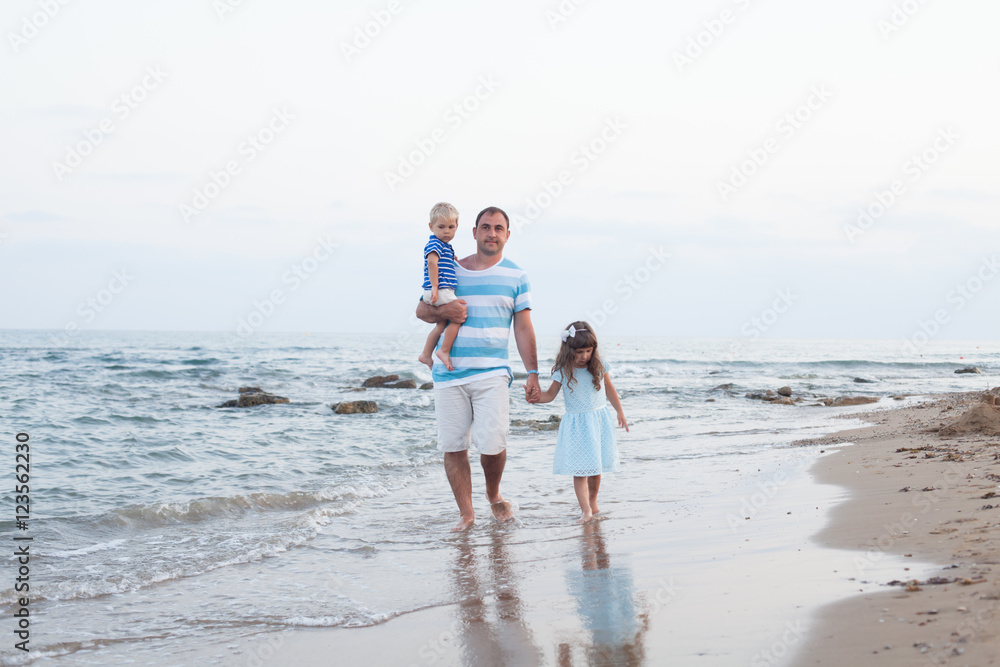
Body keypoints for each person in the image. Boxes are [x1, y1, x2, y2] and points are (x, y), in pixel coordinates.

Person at [416, 206, 540, 531]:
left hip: (492, 373)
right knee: (453, 447)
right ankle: (466, 514)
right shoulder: (452, 269)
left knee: (493, 444)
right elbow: (421, 310)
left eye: (499, 228)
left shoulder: (517, 276)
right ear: (473, 232)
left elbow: (524, 328)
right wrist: (450, 309)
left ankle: (493, 492)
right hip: (449, 375)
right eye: (485, 227)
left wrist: (534, 373)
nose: (492, 233)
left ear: (507, 235)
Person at [530, 321, 628, 523]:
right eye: (580, 351)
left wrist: (620, 410)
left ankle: (593, 502)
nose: (585, 356)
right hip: (577, 426)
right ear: (569, 350)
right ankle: (585, 510)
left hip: (598, 421)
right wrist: (534, 398)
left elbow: (609, 389)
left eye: (589, 351)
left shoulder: (599, 367)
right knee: (580, 470)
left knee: (596, 468)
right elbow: (549, 395)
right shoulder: (563, 371)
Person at [417, 202, 463, 371]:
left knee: (441, 325)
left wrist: (453, 259)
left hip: (436, 291)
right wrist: (435, 287)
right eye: (441, 226)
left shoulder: (445, 247)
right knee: (460, 314)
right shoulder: (435, 244)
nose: (446, 231)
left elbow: (443, 261)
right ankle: (444, 350)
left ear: (457, 227)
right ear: (431, 227)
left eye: (451, 227)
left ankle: (426, 354)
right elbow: (431, 262)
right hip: (440, 290)